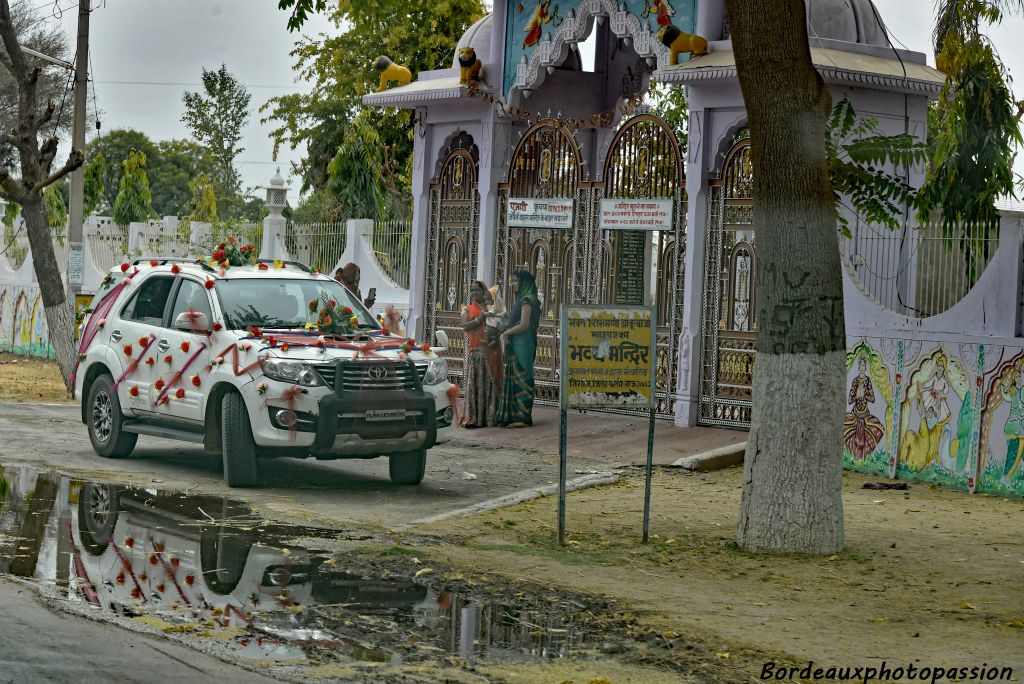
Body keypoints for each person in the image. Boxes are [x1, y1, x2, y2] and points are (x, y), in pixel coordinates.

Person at [496, 271, 541, 428]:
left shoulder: (527, 300)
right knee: (515, 376)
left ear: (525, 283)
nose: (513, 284)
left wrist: (506, 333)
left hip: (524, 343)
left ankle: (523, 417)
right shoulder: (523, 299)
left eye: (515, 281)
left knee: (523, 376)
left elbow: (524, 324)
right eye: (512, 281)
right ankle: (513, 415)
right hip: (519, 342)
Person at [460, 281, 499, 428]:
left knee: (488, 383)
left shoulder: (492, 307)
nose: (474, 293)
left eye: (477, 290)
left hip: (489, 351)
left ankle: (489, 418)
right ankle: (473, 418)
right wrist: (481, 318)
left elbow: (499, 324)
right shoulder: (467, 308)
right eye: (472, 290)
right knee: (474, 384)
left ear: (484, 292)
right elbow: (464, 326)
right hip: (475, 352)